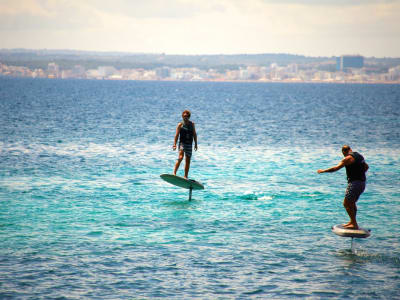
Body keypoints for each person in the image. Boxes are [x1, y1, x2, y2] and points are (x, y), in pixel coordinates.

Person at [317, 145, 369, 229]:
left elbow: (335, 168)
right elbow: (366, 167)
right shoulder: (359, 156)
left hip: (354, 183)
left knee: (346, 203)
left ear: (344, 152)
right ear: (350, 149)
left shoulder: (347, 159)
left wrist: (323, 171)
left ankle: (354, 223)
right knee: (352, 203)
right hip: (362, 183)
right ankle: (352, 221)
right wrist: (359, 174)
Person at [173, 110, 198, 179]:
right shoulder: (180, 125)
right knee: (181, 157)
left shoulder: (192, 124)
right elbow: (176, 135)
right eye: (184, 116)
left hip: (189, 144)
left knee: (188, 160)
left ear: (189, 117)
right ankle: (174, 173)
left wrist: (196, 144)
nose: (185, 117)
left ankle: (185, 176)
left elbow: (194, 134)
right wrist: (174, 144)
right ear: (182, 116)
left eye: (187, 116)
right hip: (182, 143)